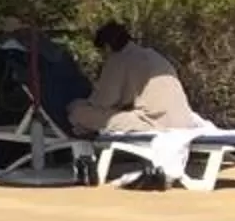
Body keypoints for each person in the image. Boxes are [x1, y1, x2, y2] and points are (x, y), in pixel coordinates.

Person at [68, 21, 200, 135]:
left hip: (155, 123)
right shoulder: (152, 54)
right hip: (183, 120)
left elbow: (104, 101)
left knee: (78, 112)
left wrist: (79, 103)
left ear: (107, 47)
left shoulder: (118, 59)